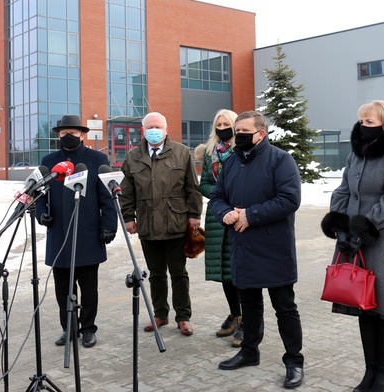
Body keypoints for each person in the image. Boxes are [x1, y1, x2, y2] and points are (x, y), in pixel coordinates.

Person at [320, 100, 384, 392]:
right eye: (361, 121)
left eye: (370, 122)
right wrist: (339, 222)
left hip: (382, 240)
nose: (363, 127)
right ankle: (370, 372)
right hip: (352, 241)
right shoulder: (358, 152)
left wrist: (363, 228)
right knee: (364, 306)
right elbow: (343, 189)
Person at [210, 110, 305, 389]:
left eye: (243, 130)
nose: (237, 134)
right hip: (243, 248)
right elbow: (217, 197)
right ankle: (249, 352)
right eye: (236, 129)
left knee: (285, 307)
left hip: (274, 247)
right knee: (249, 306)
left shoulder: (280, 159)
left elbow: (289, 199)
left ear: (260, 134)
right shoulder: (231, 162)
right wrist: (225, 213)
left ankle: (294, 361)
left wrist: (250, 215)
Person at [35, 114, 117, 348]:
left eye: (73, 132)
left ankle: (88, 328)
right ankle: (68, 328)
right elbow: (38, 195)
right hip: (59, 234)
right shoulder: (49, 160)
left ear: (82, 134)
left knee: (89, 288)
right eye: (63, 132)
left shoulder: (97, 159)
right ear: (58, 135)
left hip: (88, 234)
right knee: (63, 289)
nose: (68, 136)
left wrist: (109, 225)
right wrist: (42, 214)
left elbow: (107, 197)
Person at [119, 111, 203, 336]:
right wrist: (128, 217)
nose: (154, 131)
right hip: (147, 225)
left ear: (166, 130)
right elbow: (126, 192)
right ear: (143, 131)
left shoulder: (181, 152)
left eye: (159, 127)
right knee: (156, 274)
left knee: (178, 273)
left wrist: (194, 215)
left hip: (175, 222)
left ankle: (183, 317)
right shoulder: (133, 157)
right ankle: (160, 313)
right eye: (150, 127)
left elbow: (192, 187)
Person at [194, 109, 243, 347]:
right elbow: (202, 184)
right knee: (224, 272)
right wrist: (218, 195)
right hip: (216, 217)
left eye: (227, 123)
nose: (222, 127)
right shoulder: (210, 152)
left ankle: (246, 321)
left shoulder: (243, 150)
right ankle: (235, 314)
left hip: (238, 214)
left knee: (239, 271)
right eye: (219, 124)